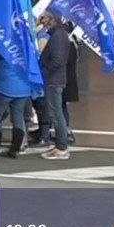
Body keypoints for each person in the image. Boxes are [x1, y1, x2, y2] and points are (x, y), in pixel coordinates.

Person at [38, 12, 72, 160]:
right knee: (56, 113)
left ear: (51, 19)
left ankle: (62, 147)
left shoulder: (58, 36)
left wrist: (44, 72)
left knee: (56, 114)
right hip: (55, 79)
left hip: (53, 81)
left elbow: (57, 61)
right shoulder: (58, 34)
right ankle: (60, 145)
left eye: (44, 17)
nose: (42, 20)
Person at [0, 51, 31, 159]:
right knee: (18, 116)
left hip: (4, 84)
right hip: (24, 85)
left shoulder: (4, 42)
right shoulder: (27, 44)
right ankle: (15, 149)